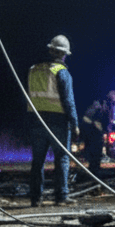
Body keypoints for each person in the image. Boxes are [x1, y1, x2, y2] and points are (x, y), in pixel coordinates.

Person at [26, 34, 79, 206]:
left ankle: (35, 198)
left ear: (50, 50)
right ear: (64, 54)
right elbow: (68, 101)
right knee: (62, 158)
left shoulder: (33, 70)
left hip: (36, 120)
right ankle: (61, 197)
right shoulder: (62, 72)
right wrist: (75, 124)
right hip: (57, 121)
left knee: (38, 161)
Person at [79, 90, 115, 179]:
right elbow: (86, 118)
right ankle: (92, 177)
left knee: (96, 158)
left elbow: (110, 121)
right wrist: (95, 123)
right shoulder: (100, 104)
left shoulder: (110, 106)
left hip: (99, 135)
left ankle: (94, 176)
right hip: (93, 134)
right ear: (114, 97)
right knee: (94, 157)